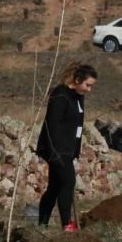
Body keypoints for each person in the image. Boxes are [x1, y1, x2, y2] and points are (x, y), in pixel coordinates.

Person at [36, 62, 98, 231]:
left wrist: (75, 151)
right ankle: (67, 226)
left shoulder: (78, 97)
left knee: (55, 188)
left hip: (68, 150)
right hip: (56, 150)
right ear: (77, 80)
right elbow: (52, 125)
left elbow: (77, 126)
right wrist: (54, 153)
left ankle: (42, 225)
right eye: (87, 85)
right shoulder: (60, 95)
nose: (89, 89)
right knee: (68, 182)